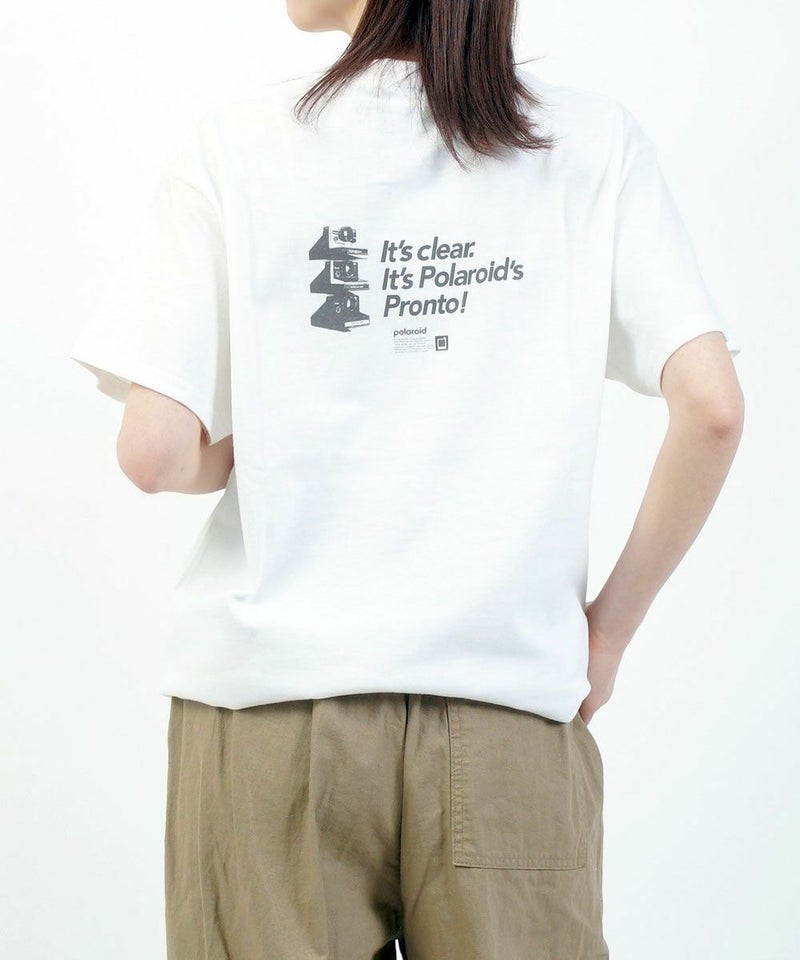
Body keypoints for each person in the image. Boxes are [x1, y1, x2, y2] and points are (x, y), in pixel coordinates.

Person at [68, 0, 745, 956]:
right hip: (507, 716)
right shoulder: (592, 144)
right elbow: (713, 408)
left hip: (270, 719)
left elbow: (154, 451)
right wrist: (609, 632)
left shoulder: (238, 146)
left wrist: (276, 428)